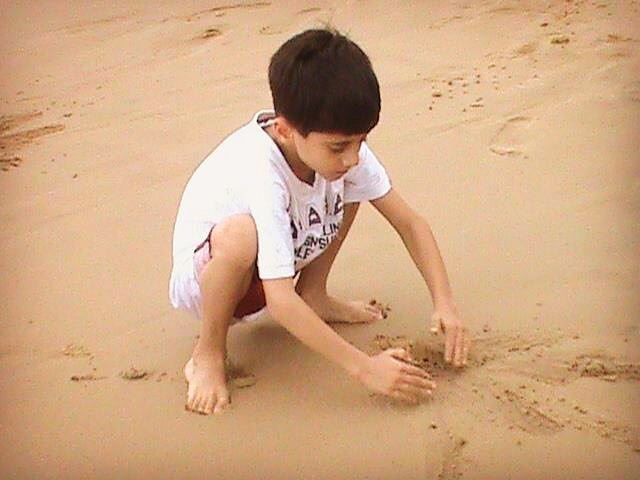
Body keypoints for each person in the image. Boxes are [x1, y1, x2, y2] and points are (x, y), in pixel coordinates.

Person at [169, 28, 470, 415]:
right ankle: (207, 353)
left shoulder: (339, 151)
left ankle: (315, 294)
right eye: (339, 146)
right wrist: (365, 369)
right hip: (213, 282)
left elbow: (410, 223)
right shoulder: (260, 170)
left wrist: (444, 304)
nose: (354, 156)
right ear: (285, 131)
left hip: (280, 257)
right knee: (241, 235)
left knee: (352, 185)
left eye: (361, 141)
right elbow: (279, 301)